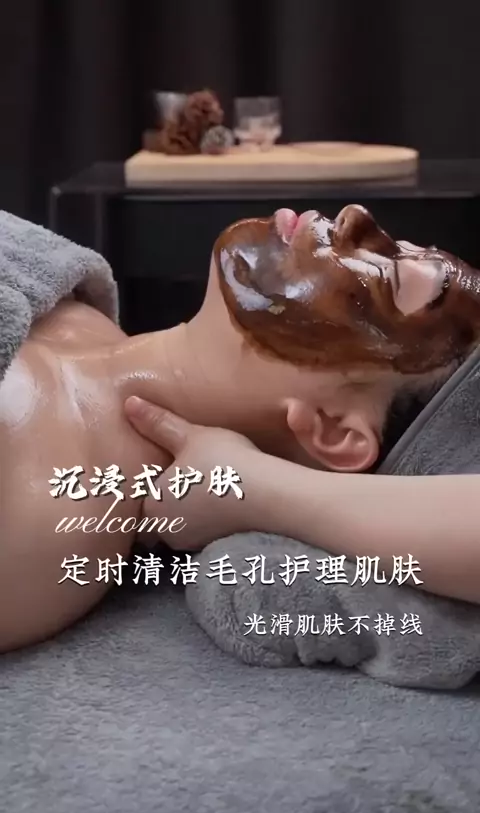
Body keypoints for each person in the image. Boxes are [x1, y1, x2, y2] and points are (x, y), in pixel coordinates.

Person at [2, 204, 480, 652]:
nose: (355, 216)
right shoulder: (64, 293)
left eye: (392, 279)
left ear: (333, 429)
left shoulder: (47, 516)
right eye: (401, 245)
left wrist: (251, 486)